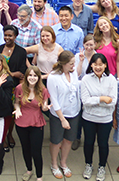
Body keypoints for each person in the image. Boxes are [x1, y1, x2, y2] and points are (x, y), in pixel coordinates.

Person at [81, 53, 117, 181]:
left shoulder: (112, 79)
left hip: (105, 119)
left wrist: (95, 100)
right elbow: (85, 101)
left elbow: (112, 102)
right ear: (91, 65)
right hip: (89, 118)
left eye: (100, 64)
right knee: (89, 143)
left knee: (103, 144)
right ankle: (88, 164)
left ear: (105, 65)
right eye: (95, 64)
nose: (98, 67)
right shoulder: (85, 79)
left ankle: (102, 166)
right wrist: (102, 99)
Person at [48, 50, 82, 179]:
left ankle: (63, 162)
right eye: (71, 64)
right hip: (58, 115)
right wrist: (62, 119)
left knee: (68, 140)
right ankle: (54, 164)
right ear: (63, 64)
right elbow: (54, 99)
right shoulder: (53, 77)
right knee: (56, 141)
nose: (73, 66)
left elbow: (77, 86)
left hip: (73, 112)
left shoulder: (73, 74)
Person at [14, 65, 50, 181]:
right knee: (25, 149)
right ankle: (29, 170)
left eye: (35, 76)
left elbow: (44, 106)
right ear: (26, 77)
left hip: (36, 123)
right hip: (21, 123)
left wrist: (45, 108)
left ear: (39, 77)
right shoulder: (20, 88)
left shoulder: (43, 90)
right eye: (30, 75)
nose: (32, 78)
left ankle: (39, 176)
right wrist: (18, 108)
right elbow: (16, 102)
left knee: (36, 151)